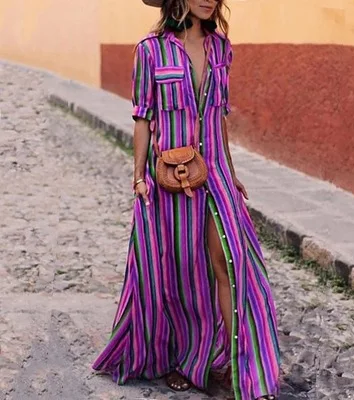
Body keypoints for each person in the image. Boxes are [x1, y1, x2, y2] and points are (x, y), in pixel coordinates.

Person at [92, 0, 280, 399]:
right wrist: (138, 176)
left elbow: (219, 115)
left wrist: (232, 172)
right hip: (170, 177)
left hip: (217, 173)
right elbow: (143, 117)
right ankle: (190, 359)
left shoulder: (221, 47)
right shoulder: (151, 50)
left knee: (231, 262)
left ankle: (246, 370)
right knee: (184, 274)